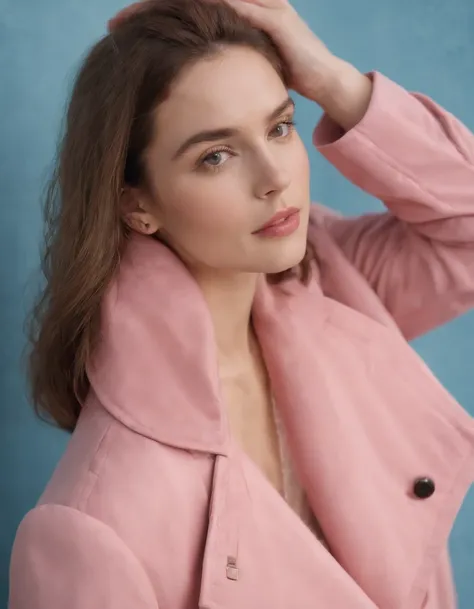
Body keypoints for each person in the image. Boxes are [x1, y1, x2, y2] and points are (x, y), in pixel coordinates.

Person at [8, 0, 474, 607]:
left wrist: (331, 77)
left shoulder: (338, 280)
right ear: (135, 206)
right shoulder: (93, 528)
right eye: (215, 156)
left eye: (279, 127)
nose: (273, 176)